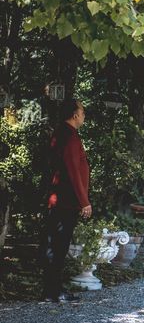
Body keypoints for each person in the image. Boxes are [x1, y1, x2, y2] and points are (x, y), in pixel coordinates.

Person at [40, 99, 91, 303]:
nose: (84, 116)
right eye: (83, 112)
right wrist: (84, 201)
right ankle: (54, 292)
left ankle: (51, 289)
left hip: (59, 198)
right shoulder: (69, 137)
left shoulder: (62, 133)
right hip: (66, 201)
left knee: (55, 245)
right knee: (59, 247)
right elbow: (73, 172)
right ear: (75, 115)